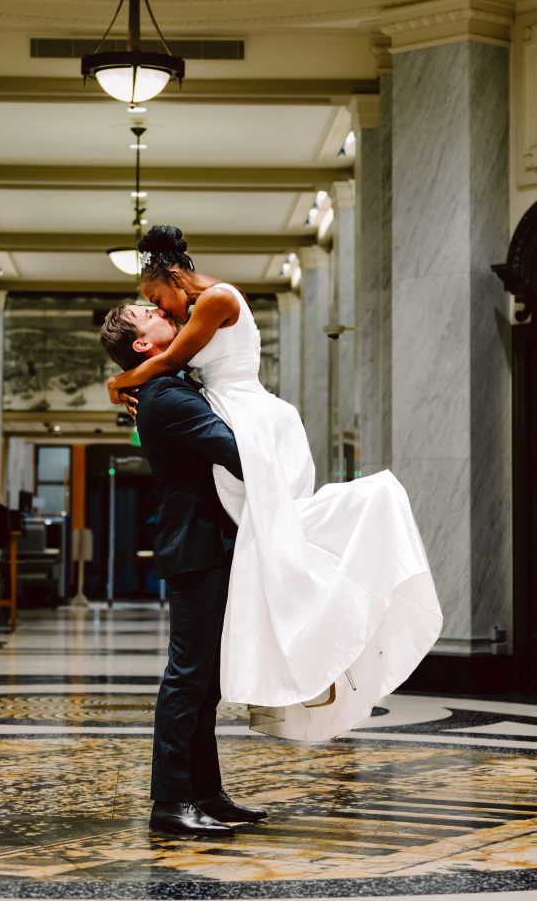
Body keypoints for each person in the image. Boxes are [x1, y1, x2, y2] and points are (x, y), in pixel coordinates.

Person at [106, 224, 443, 743]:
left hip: (253, 419)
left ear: (173, 275)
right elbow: (170, 366)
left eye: (157, 298)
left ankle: (319, 613)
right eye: (153, 308)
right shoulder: (180, 355)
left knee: (282, 533)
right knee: (271, 540)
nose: (164, 310)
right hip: (234, 419)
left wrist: (116, 381)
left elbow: (171, 360)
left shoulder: (215, 300)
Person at [100, 303, 268, 836]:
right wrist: (275, 440)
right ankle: (170, 802)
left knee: (206, 681)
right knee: (188, 676)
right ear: (142, 345)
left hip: (207, 543)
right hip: (196, 546)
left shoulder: (166, 384)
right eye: (143, 312)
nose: (157, 309)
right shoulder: (168, 395)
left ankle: (207, 794)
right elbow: (235, 451)